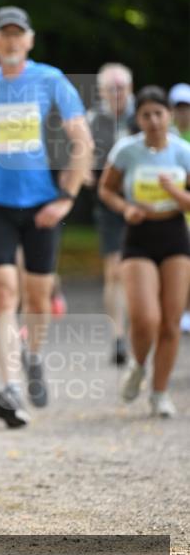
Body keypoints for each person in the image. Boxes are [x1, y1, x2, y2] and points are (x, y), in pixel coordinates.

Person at [0, 6, 93, 427]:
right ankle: (10, 387)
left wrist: (65, 198)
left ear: (29, 40)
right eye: (3, 35)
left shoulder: (51, 80)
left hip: (43, 203)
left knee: (38, 297)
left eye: (18, 35)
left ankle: (32, 356)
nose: (11, 42)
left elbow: (82, 142)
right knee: (3, 292)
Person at [99, 86, 190, 417]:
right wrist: (125, 208)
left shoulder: (183, 152)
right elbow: (105, 190)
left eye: (158, 114)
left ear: (169, 116)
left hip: (175, 237)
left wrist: (173, 192)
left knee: (169, 322)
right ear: (137, 118)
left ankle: (160, 393)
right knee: (145, 318)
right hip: (138, 237)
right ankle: (138, 365)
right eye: (146, 115)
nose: (153, 121)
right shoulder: (127, 151)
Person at [86, 63, 138, 364]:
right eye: (111, 89)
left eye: (121, 88)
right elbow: (81, 155)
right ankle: (118, 338)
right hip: (108, 203)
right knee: (115, 270)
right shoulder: (94, 120)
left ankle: (136, 333)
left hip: (143, 203)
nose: (116, 94)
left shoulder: (143, 115)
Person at [169, 83, 190, 332]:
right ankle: (182, 309)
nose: (183, 112)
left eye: (187, 107)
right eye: (179, 107)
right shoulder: (168, 135)